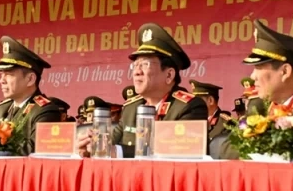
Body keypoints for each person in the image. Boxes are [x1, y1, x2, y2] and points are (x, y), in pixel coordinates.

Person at [81, 23, 206, 157]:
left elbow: (174, 152)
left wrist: (116, 152)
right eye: (135, 65)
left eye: (145, 64)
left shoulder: (189, 107)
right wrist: (92, 147)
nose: (136, 72)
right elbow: (110, 146)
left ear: (169, 75)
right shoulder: (131, 108)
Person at [0, 37, 69, 153]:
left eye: (9, 74)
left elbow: (33, 149)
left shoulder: (45, 111)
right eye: (1, 74)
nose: (1, 80)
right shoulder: (0, 109)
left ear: (30, 79)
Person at [192, 80, 236, 159]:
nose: (193, 103)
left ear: (210, 101)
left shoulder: (225, 123)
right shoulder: (192, 121)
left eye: (197, 100)